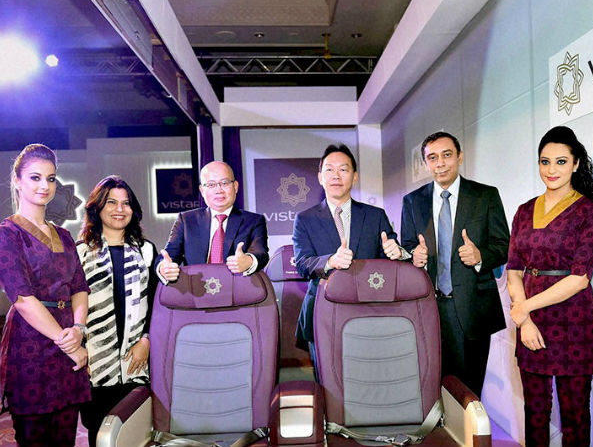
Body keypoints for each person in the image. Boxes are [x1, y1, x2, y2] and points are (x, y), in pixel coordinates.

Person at [507, 126, 593, 447]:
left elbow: (580, 278)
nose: (551, 170)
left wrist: (523, 309)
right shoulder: (524, 211)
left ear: (576, 164)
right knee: (534, 411)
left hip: (573, 320)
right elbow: (514, 270)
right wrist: (525, 320)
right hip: (530, 322)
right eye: (545, 162)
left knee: (575, 416)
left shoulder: (590, 212)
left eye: (561, 162)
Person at [401, 132, 509, 397]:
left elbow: (504, 246)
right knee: (432, 387)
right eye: (432, 158)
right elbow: (408, 245)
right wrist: (414, 255)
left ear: (459, 157)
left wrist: (480, 256)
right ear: (426, 163)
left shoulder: (485, 196)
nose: (440, 163)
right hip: (429, 308)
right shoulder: (412, 201)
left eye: (447, 155)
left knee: (470, 391)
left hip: (473, 308)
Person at [0, 144, 90, 447]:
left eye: (51, 179)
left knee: (66, 437)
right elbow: (23, 299)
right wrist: (69, 344)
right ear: (17, 181)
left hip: (69, 338)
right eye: (35, 177)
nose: (44, 186)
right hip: (31, 346)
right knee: (35, 437)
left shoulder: (64, 235)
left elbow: (79, 287)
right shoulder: (7, 234)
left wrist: (79, 329)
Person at [293, 144, 410, 372]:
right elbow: (302, 264)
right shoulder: (304, 219)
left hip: (370, 312)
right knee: (328, 380)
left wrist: (397, 253)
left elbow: (393, 254)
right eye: (329, 169)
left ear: (354, 177)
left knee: (370, 376)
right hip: (323, 312)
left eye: (343, 169)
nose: (336, 175)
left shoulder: (375, 216)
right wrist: (330, 261)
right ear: (320, 177)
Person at [76, 176, 158, 447]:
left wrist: (146, 340)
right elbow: (72, 310)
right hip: (95, 364)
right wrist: (80, 351)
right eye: (111, 202)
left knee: (136, 435)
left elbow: (156, 304)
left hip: (137, 362)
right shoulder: (80, 253)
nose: (119, 209)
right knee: (100, 435)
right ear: (97, 207)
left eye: (126, 203)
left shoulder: (146, 251)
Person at [157, 161, 268, 282]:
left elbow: (260, 253)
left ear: (235, 186)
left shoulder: (253, 221)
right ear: (202, 190)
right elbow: (169, 254)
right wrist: (164, 267)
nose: (219, 190)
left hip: (238, 289)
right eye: (211, 185)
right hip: (197, 289)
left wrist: (248, 261)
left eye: (224, 183)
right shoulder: (186, 220)